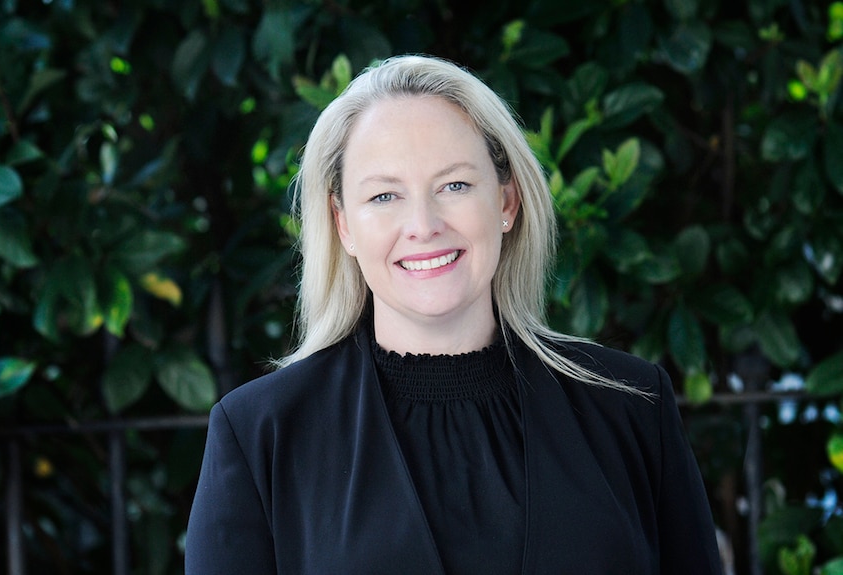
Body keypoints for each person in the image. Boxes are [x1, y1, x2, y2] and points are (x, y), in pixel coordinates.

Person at [185, 54, 722, 574]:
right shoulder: (260, 433)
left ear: (507, 202)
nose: (423, 224)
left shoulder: (629, 406)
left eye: (455, 185)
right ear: (343, 224)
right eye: (384, 196)